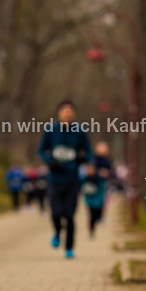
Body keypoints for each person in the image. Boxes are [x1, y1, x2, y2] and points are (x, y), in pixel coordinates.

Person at [38, 100, 91, 258]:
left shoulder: (80, 132)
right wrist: (49, 161)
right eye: (64, 111)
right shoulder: (51, 130)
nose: (67, 113)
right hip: (55, 178)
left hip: (72, 179)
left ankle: (69, 248)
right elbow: (41, 150)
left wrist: (81, 160)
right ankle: (56, 231)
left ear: (73, 114)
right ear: (59, 113)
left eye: (69, 111)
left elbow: (88, 152)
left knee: (69, 215)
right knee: (55, 213)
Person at [83, 141, 113, 238]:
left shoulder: (107, 160)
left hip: (101, 185)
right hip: (91, 185)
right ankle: (91, 227)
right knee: (91, 208)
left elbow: (111, 172)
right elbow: (88, 170)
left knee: (100, 205)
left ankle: (99, 218)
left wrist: (106, 173)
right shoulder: (92, 159)